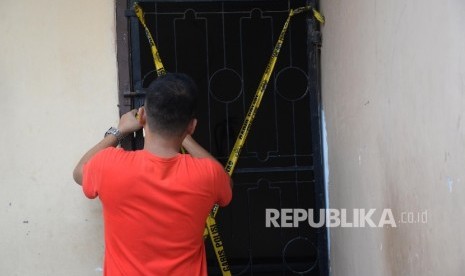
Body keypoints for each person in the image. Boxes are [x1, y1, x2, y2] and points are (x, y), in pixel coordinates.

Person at [73, 73, 233, 276]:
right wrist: (183, 136)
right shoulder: (207, 175)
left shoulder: (109, 165)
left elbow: (79, 172)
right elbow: (225, 183)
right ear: (192, 126)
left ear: (142, 116)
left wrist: (119, 131)